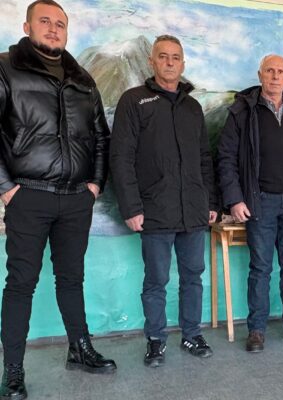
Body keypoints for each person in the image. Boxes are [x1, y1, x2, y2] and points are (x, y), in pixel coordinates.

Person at [0, 1, 116, 397]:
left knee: (72, 279)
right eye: (45, 21)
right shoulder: (5, 68)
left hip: (76, 199)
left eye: (60, 24)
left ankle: (79, 350)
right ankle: (13, 370)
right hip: (28, 195)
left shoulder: (82, 78)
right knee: (21, 284)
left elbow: (100, 137)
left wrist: (95, 184)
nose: (53, 29)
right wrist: (6, 187)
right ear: (27, 26)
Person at [110, 35, 218, 367]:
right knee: (156, 280)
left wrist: (211, 202)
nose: (169, 62)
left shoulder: (192, 107)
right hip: (155, 210)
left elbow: (204, 158)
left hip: (193, 211)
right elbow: (121, 158)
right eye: (163, 56)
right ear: (152, 61)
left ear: (182, 64)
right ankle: (156, 339)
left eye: (175, 57)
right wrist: (131, 207)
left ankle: (191, 334)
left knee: (193, 277)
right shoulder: (134, 101)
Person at [218, 54, 283, 352]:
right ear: (260, 75)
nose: (276, 76)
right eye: (270, 71)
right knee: (260, 269)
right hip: (259, 202)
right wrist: (235, 199)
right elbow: (226, 158)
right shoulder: (242, 111)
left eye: (281, 72)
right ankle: (257, 330)